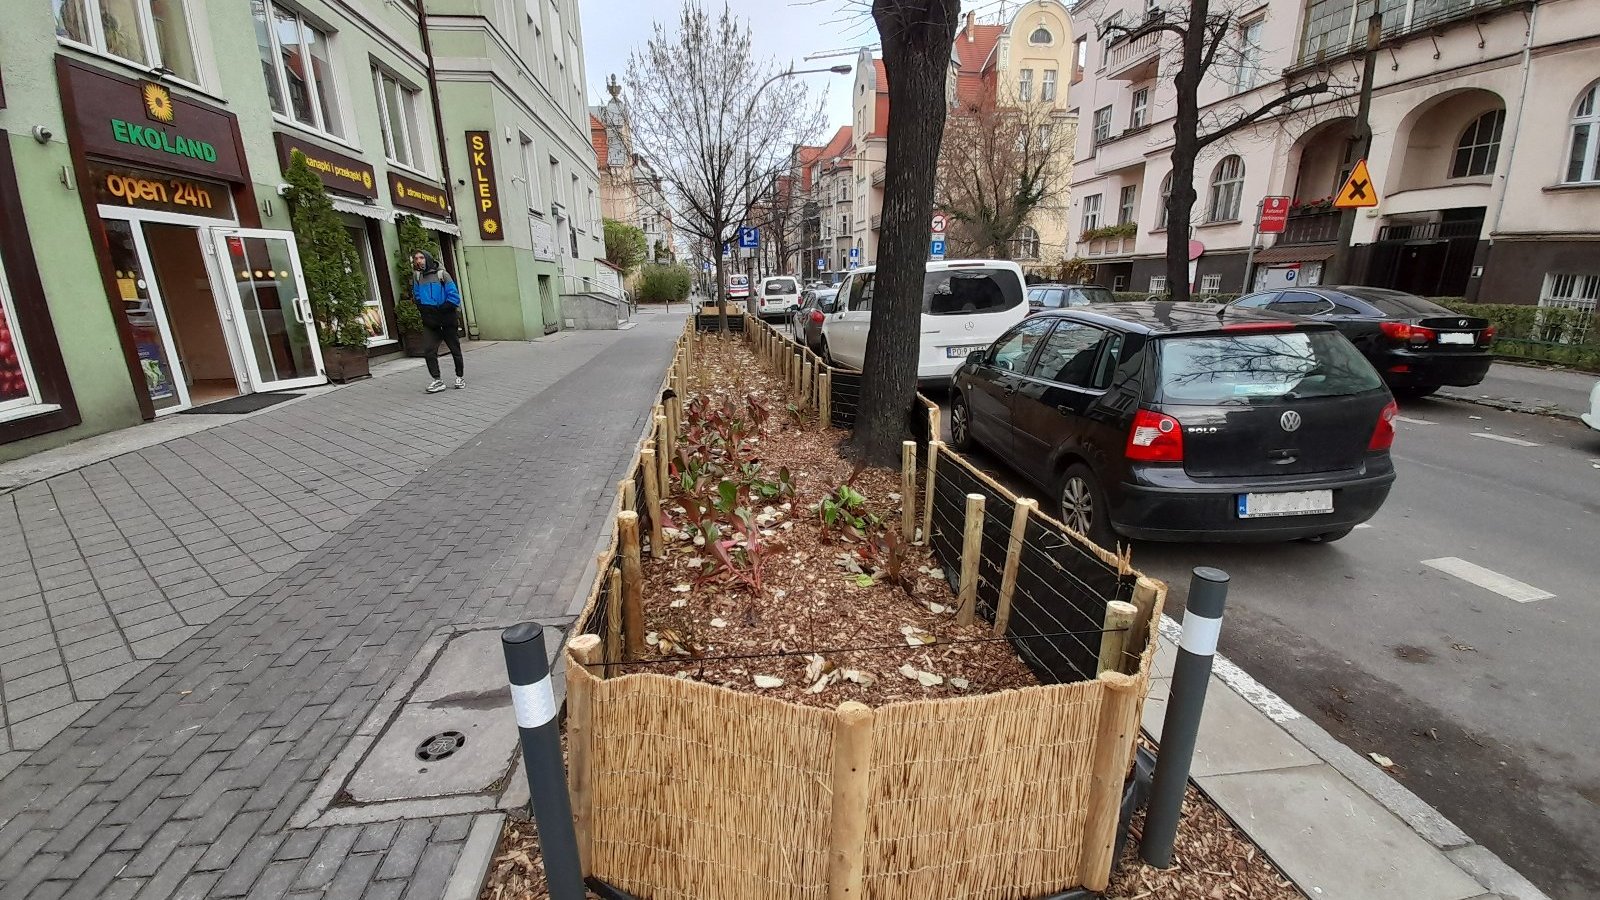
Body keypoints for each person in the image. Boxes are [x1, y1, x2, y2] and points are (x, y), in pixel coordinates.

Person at [411, 250, 464, 393]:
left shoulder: (442, 275)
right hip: (431, 321)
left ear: (427, 258)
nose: (418, 261)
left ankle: (459, 376)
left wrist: (442, 309)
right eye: (416, 258)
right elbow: (417, 296)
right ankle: (437, 380)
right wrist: (425, 311)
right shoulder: (417, 277)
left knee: (455, 349)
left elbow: (454, 297)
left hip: (447, 319)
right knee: (429, 350)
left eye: (421, 257)